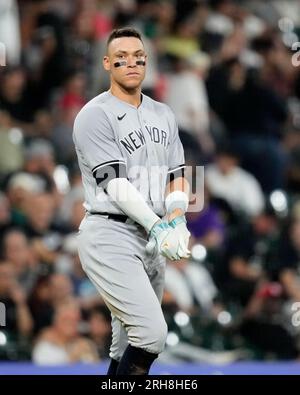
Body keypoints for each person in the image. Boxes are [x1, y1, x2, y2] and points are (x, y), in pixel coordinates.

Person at [72, 27, 191, 375]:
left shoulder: (164, 114)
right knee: (152, 335)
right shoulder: (95, 114)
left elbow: (178, 174)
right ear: (107, 63)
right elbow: (113, 183)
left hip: (152, 237)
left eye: (138, 57)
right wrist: (158, 225)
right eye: (121, 58)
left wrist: (178, 216)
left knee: (127, 345)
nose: (131, 63)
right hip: (111, 232)